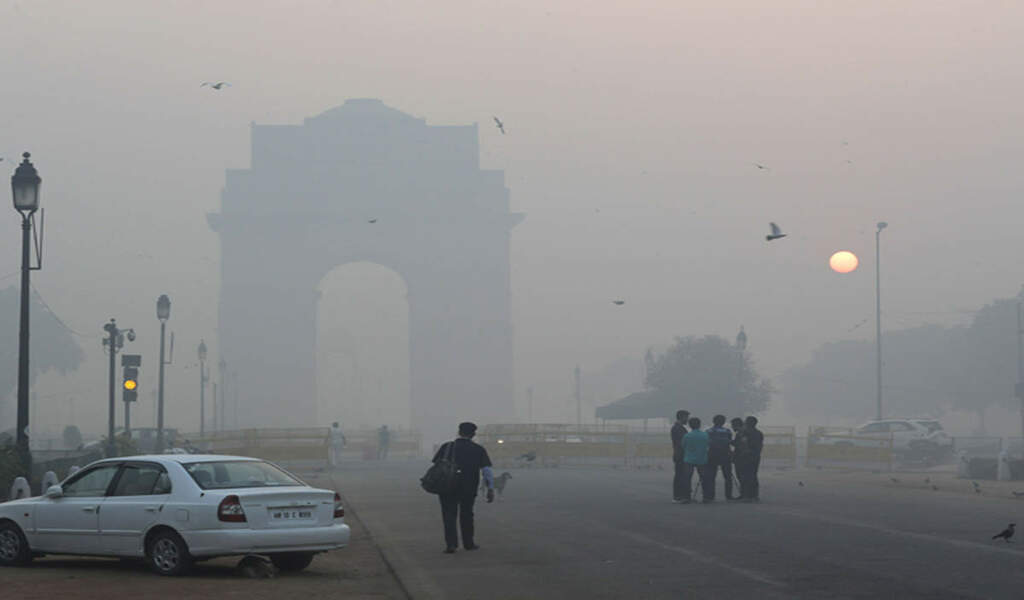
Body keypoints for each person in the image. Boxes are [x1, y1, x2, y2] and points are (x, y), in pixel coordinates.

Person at [432, 422, 495, 553]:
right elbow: (487, 471)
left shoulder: (447, 447)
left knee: (449, 515)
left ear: (459, 432)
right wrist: (490, 488)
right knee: (467, 514)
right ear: (473, 434)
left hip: (447, 486)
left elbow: (436, 464)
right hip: (469, 487)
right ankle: (468, 543)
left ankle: (451, 544)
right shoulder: (478, 449)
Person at [680, 417, 711, 504]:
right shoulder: (705, 435)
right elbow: (708, 445)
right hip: (702, 459)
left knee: (687, 478)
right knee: (704, 478)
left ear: (690, 425)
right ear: (699, 425)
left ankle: (686, 497)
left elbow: (683, 446)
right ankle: (706, 497)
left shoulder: (687, 436)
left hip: (689, 459)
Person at [706, 415, 735, 501]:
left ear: (713, 421)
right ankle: (729, 496)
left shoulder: (708, 431)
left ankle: (710, 496)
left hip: (712, 455)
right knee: (728, 477)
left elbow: (707, 443)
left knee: (711, 477)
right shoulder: (727, 431)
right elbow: (729, 442)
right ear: (723, 422)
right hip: (725, 455)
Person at [670, 409, 690, 502]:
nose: (687, 420)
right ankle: (678, 496)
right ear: (682, 417)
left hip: (679, 454)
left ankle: (679, 495)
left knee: (680, 475)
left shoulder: (678, 427)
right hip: (681, 455)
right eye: (686, 417)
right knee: (680, 476)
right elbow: (682, 443)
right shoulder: (678, 428)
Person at [743, 416, 764, 501]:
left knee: (746, 476)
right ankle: (755, 495)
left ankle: (747, 496)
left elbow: (744, 442)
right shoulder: (759, 433)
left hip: (747, 456)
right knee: (754, 475)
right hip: (756, 456)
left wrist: (745, 451)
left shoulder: (745, 432)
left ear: (747, 423)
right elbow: (760, 445)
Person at [729, 417, 747, 499]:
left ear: (736, 425)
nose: (732, 427)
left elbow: (740, 445)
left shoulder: (741, 433)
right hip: (742, 457)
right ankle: (745, 494)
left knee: (741, 476)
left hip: (741, 458)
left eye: (732, 425)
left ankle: (745, 494)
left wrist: (729, 441)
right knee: (743, 476)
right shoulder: (742, 432)